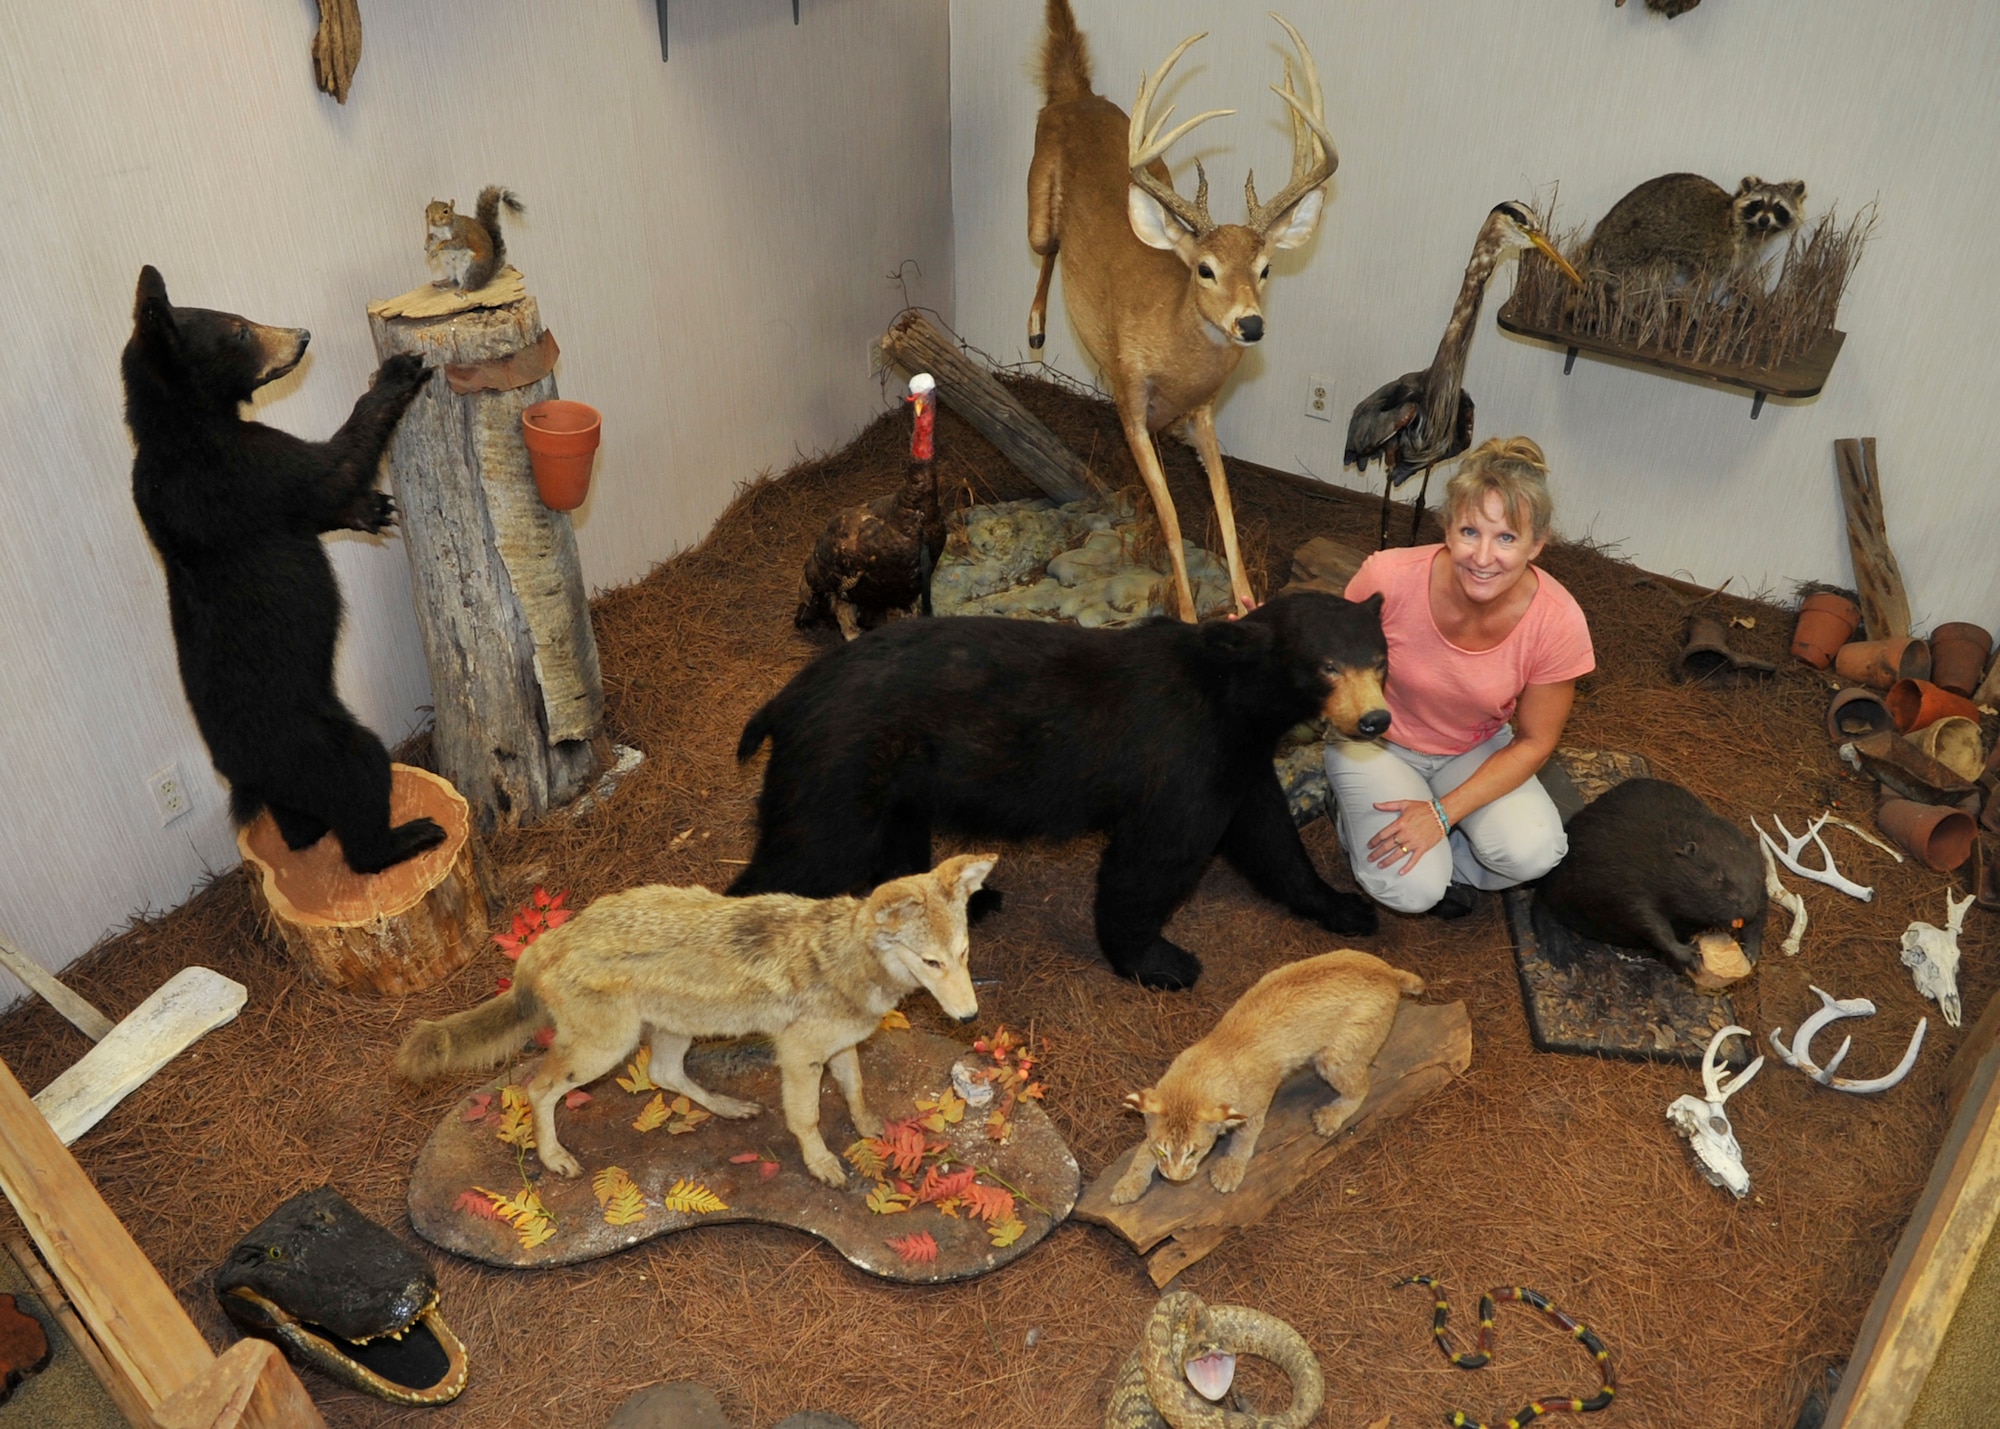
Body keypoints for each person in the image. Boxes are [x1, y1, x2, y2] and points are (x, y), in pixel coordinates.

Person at [1324, 436, 1594, 918]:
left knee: (1535, 853)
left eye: (1507, 538)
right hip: (1376, 740)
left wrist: (1441, 813)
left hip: (1472, 748)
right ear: (1447, 528)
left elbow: (1534, 741)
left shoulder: (1559, 620)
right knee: (1415, 893)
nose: (1483, 557)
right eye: (1470, 531)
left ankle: (1446, 852)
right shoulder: (1387, 576)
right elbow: (1332, 659)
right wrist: (1269, 641)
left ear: (1537, 545)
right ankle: (1354, 820)